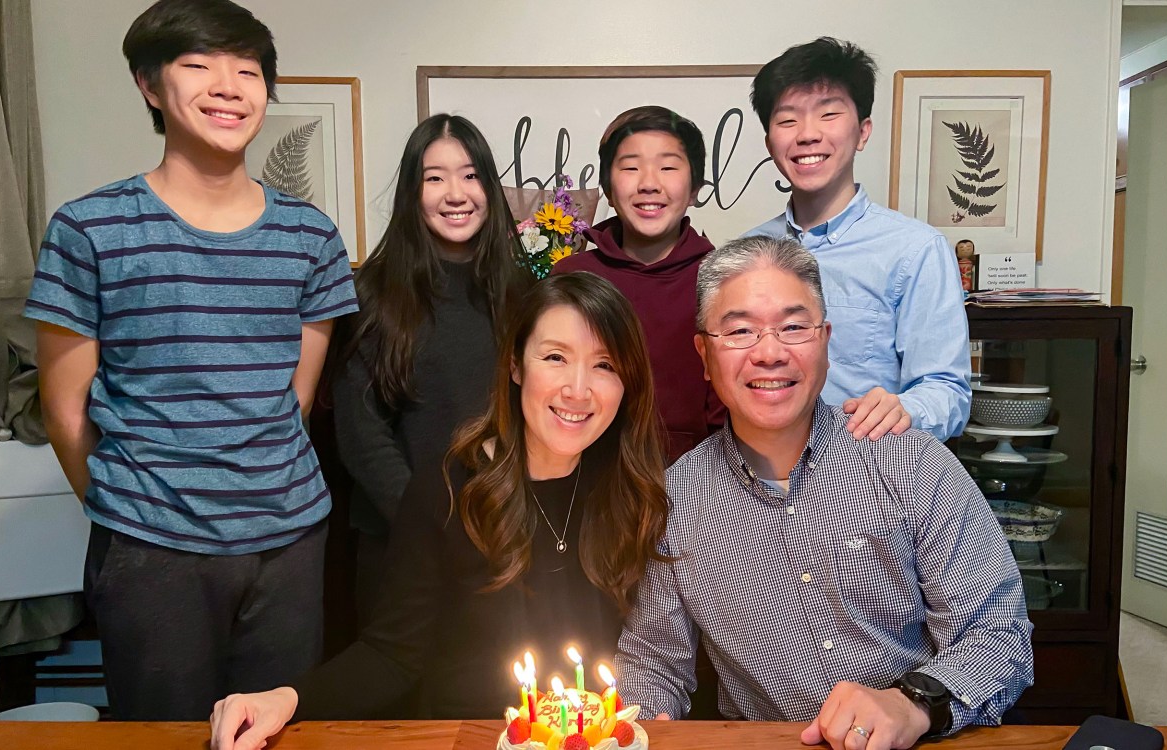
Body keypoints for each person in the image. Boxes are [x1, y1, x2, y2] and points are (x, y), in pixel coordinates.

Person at [23, 0, 358, 721]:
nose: (229, 87)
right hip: (151, 546)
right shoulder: (89, 228)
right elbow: (63, 411)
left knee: (280, 728)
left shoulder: (310, 236)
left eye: (248, 70)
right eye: (199, 65)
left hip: (290, 539)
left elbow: (294, 398)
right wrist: (135, 508)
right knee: (162, 732)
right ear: (149, 85)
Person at [209, 272, 670, 750]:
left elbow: (652, 648)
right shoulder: (450, 490)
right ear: (516, 365)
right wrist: (287, 698)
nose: (578, 389)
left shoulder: (634, 488)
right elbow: (392, 654)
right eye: (555, 357)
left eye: (605, 365)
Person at [615, 236, 1032, 749]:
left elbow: (1000, 631)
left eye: (794, 327)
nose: (769, 353)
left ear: (826, 341)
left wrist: (912, 702)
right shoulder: (675, 499)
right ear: (704, 353)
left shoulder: (908, 461)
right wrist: (644, 720)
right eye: (741, 330)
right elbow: (654, 660)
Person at [328, 114, 533, 626]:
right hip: (401, 543)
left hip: (506, 541)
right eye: (434, 177)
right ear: (411, 192)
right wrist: (429, 529)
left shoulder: (523, 293)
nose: (455, 193)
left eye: (470, 175)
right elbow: (362, 433)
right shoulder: (373, 294)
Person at [744, 37, 971, 442]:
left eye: (829, 113)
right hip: (758, 477)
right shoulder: (746, 251)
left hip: (870, 475)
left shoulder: (915, 250)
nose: (807, 134)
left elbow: (947, 391)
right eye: (787, 120)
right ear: (769, 143)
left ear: (863, 132)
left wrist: (905, 408)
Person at [553, 106, 722, 463]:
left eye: (668, 167)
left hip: (694, 483)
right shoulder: (571, 278)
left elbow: (731, 409)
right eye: (630, 167)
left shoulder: (722, 279)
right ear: (608, 191)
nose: (649, 183)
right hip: (583, 477)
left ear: (694, 189)